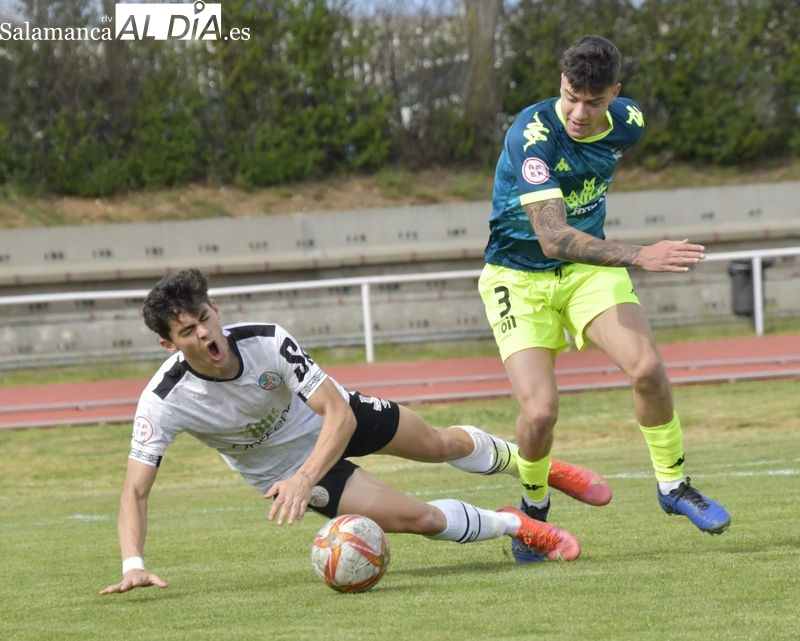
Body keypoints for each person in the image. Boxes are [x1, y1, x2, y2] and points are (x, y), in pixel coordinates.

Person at [100, 268, 612, 595]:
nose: (205, 334)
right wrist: (133, 563)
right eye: (187, 332)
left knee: (439, 444)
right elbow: (135, 490)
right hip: (281, 468)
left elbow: (339, 416)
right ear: (170, 345)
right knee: (419, 519)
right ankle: (518, 526)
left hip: (330, 422)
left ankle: (538, 465)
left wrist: (305, 478)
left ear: (217, 310)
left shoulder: (267, 341)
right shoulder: (163, 400)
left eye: (205, 319)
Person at [478, 35, 730, 562]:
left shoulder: (630, 123)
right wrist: (640, 254)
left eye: (593, 101)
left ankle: (673, 486)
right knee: (541, 412)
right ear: (560, 86)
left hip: (587, 273)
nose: (579, 111)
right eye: (571, 96)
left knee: (647, 370)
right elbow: (552, 236)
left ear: (615, 94)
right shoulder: (533, 135)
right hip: (517, 277)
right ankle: (534, 507)